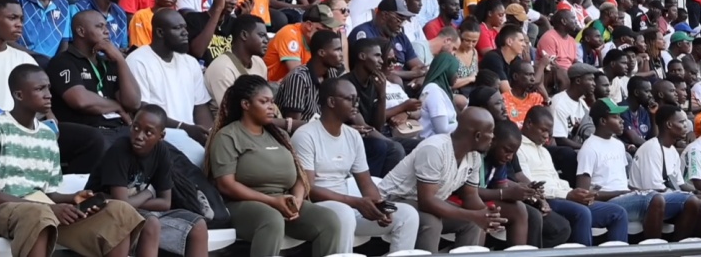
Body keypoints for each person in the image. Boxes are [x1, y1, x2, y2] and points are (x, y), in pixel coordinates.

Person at [0, 64, 155, 257]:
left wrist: (73, 198)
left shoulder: (48, 135)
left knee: (120, 210)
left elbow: (49, 193)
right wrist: (50, 208)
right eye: (40, 89)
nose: (49, 95)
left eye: (49, 88)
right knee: (38, 214)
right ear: (19, 95)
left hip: (41, 211)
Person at [206, 75, 341, 257]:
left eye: (272, 101)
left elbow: (300, 176)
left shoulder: (280, 136)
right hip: (241, 205)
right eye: (264, 102)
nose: (271, 107)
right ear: (246, 104)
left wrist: (297, 200)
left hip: (283, 202)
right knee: (271, 219)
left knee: (329, 221)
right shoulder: (228, 136)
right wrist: (272, 202)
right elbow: (226, 185)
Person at [292, 77, 419, 253]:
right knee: (344, 214)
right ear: (331, 102)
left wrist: (378, 206)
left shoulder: (352, 135)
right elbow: (308, 188)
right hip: (317, 208)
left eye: (357, 99)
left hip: (348, 206)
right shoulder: (306, 135)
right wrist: (355, 202)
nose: (355, 104)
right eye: (350, 99)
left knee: (408, 215)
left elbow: (365, 182)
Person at [85, 105, 210, 257]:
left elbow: (165, 203)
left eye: (148, 132)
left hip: (135, 210)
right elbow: (121, 204)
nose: (139, 136)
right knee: (150, 222)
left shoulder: (161, 152)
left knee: (198, 225)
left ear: (161, 136)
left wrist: (137, 200)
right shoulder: (120, 150)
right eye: (135, 128)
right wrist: (148, 194)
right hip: (101, 211)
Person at [376, 107, 504, 252]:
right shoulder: (435, 148)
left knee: (472, 223)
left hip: (423, 204)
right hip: (392, 202)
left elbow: (470, 196)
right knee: (431, 222)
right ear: (478, 136)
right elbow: (427, 202)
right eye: (491, 132)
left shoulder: (474, 156)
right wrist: (474, 215)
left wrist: (487, 216)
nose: (493, 137)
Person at [576, 97, 701, 240]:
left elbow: (623, 181)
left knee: (691, 200)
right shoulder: (589, 148)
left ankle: (679, 248)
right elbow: (583, 194)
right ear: (603, 121)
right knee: (655, 198)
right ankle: (654, 248)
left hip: (627, 197)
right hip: (608, 203)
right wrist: (624, 192)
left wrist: (632, 191)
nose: (622, 120)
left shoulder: (618, 145)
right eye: (615, 117)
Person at [517, 106, 629, 245]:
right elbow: (530, 186)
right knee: (582, 212)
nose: (547, 136)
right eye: (543, 130)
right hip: (546, 200)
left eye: (549, 133)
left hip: (563, 195)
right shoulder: (518, 148)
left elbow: (556, 180)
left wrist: (577, 193)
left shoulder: (544, 151)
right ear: (529, 124)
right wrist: (568, 195)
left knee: (618, 213)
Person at [47, 10, 142, 174]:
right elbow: (81, 100)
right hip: (88, 131)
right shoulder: (63, 61)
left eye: (106, 26)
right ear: (81, 31)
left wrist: (120, 60)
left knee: (160, 148)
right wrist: (117, 106)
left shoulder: (109, 62)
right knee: (113, 149)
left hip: (118, 129)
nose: (107, 31)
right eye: (100, 26)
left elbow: (133, 102)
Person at [126, 9, 214, 166]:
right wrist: (185, 128)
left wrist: (209, 135)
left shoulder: (190, 62)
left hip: (189, 132)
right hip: (160, 133)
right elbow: (142, 108)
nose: (185, 33)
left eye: (185, 27)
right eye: (177, 28)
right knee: (201, 159)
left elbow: (200, 106)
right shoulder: (138, 60)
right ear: (160, 32)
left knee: (219, 155)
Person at [274, 30, 342, 130]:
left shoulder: (332, 73)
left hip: (322, 130)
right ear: (321, 53)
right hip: (301, 134)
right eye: (337, 50)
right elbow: (293, 125)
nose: (341, 55)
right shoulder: (299, 78)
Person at [203, 14, 268, 116]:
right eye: (261, 35)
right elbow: (232, 113)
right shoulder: (222, 68)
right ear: (244, 35)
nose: (266, 40)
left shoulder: (259, 63)